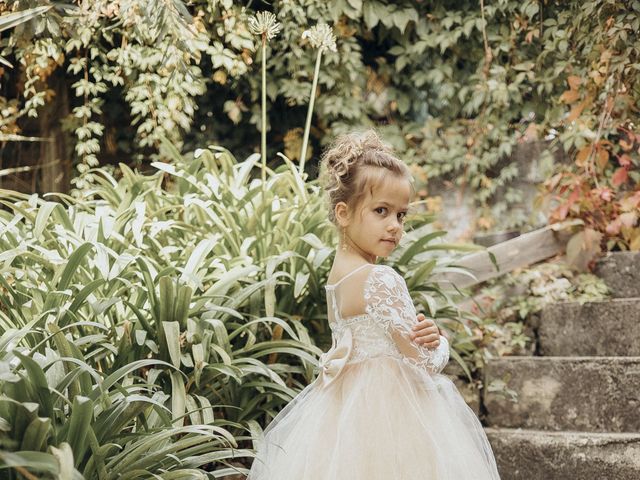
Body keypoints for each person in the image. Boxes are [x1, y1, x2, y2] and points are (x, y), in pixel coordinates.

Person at [246, 130, 501, 479]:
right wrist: (439, 341)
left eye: (401, 215)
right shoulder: (381, 280)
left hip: (342, 417)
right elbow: (425, 361)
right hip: (393, 417)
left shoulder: (337, 280)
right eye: (381, 211)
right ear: (343, 213)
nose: (394, 226)